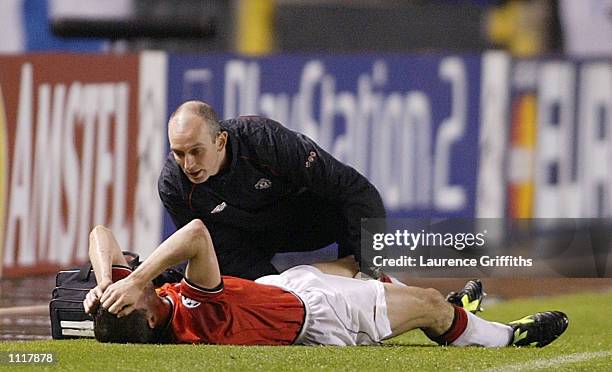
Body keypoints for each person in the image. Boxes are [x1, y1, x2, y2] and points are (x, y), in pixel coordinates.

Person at [83, 220, 568, 347]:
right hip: (317, 316)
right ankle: (506, 336)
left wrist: (106, 281)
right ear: (148, 313)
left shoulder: (146, 306)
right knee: (427, 307)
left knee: (357, 265)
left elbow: (100, 234)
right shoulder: (193, 311)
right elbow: (194, 233)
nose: (134, 276)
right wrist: (140, 276)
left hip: (283, 289)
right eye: (131, 291)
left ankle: (456, 312)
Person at [158, 100, 385, 280]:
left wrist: (369, 269)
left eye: (196, 151)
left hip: (304, 221)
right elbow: (219, 252)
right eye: (179, 153)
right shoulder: (173, 185)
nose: (189, 165)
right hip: (241, 241)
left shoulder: (265, 142)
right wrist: (277, 294)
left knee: (351, 215)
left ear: (220, 141)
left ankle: (359, 287)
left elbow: (357, 191)